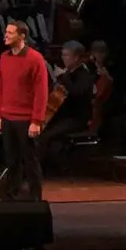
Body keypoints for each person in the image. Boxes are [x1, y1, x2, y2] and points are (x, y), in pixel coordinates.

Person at [0, 21, 49, 202]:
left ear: (22, 36)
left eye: (10, 33)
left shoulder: (35, 58)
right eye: (6, 32)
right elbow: (0, 87)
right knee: (11, 161)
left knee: (30, 161)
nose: (6, 35)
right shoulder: (4, 57)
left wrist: (37, 120)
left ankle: (35, 199)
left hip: (26, 119)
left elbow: (41, 92)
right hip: (7, 117)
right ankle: (12, 196)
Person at [36, 41, 96, 171]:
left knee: (45, 136)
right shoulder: (68, 74)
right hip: (62, 117)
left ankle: (34, 172)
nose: (63, 58)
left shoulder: (84, 75)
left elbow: (76, 93)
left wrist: (64, 76)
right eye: (63, 55)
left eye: (67, 55)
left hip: (77, 119)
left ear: (76, 58)